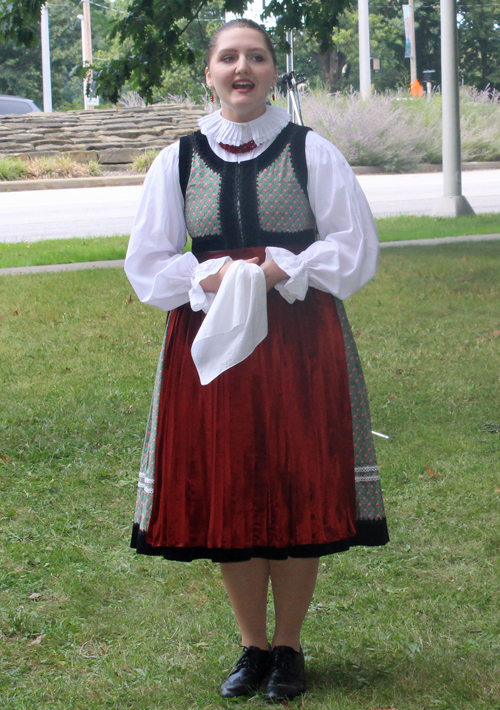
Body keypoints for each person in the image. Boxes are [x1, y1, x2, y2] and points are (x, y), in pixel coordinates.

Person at [125, 18, 389, 703]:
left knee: (296, 487)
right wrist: (205, 278)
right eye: (229, 58)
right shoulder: (177, 160)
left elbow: (353, 247)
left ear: (275, 72)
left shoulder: (311, 152)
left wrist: (283, 268)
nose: (243, 68)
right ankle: (251, 646)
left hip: (300, 344)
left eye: (257, 57)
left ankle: (291, 647)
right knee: (232, 490)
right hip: (211, 348)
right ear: (209, 73)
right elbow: (147, 263)